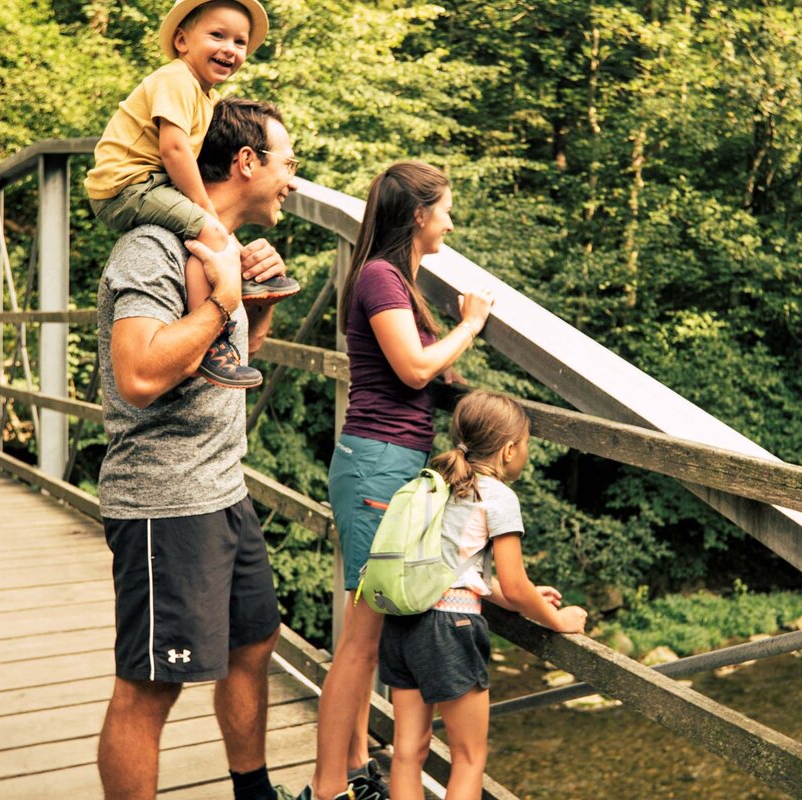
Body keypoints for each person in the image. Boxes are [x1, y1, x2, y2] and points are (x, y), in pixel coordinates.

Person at [95, 97, 302, 800]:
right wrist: (223, 300)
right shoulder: (152, 247)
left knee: (253, 646)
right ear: (246, 162)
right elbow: (141, 373)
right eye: (287, 164)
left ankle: (255, 794)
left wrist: (256, 305)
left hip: (221, 489)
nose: (292, 182)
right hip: (165, 500)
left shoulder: (217, 249)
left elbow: (222, 366)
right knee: (151, 687)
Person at [303, 161, 496, 800]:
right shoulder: (382, 277)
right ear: (418, 215)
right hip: (376, 464)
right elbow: (412, 369)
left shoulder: (396, 278)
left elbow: (417, 379)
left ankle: (353, 771)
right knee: (361, 639)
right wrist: (470, 324)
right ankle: (329, 788)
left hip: (391, 460)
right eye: (445, 208)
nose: (450, 220)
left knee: (371, 630)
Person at [380, 391, 588, 800]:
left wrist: (522, 597)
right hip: (448, 632)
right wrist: (559, 620)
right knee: (469, 758)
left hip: (402, 623)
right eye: (526, 444)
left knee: (407, 751)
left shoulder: (436, 481)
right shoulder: (498, 496)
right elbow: (514, 583)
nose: (526, 453)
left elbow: (453, 568)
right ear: (509, 449)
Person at [85, 0, 298, 390]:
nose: (230, 48)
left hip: (146, 183)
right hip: (127, 185)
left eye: (240, 41)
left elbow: (248, 347)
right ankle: (214, 341)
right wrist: (205, 210)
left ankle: (234, 293)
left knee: (217, 236)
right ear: (181, 40)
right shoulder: (176, 79)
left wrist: (255, 299)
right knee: (209, 231)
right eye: (217, 35)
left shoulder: (205, 97)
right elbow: (175, 151)